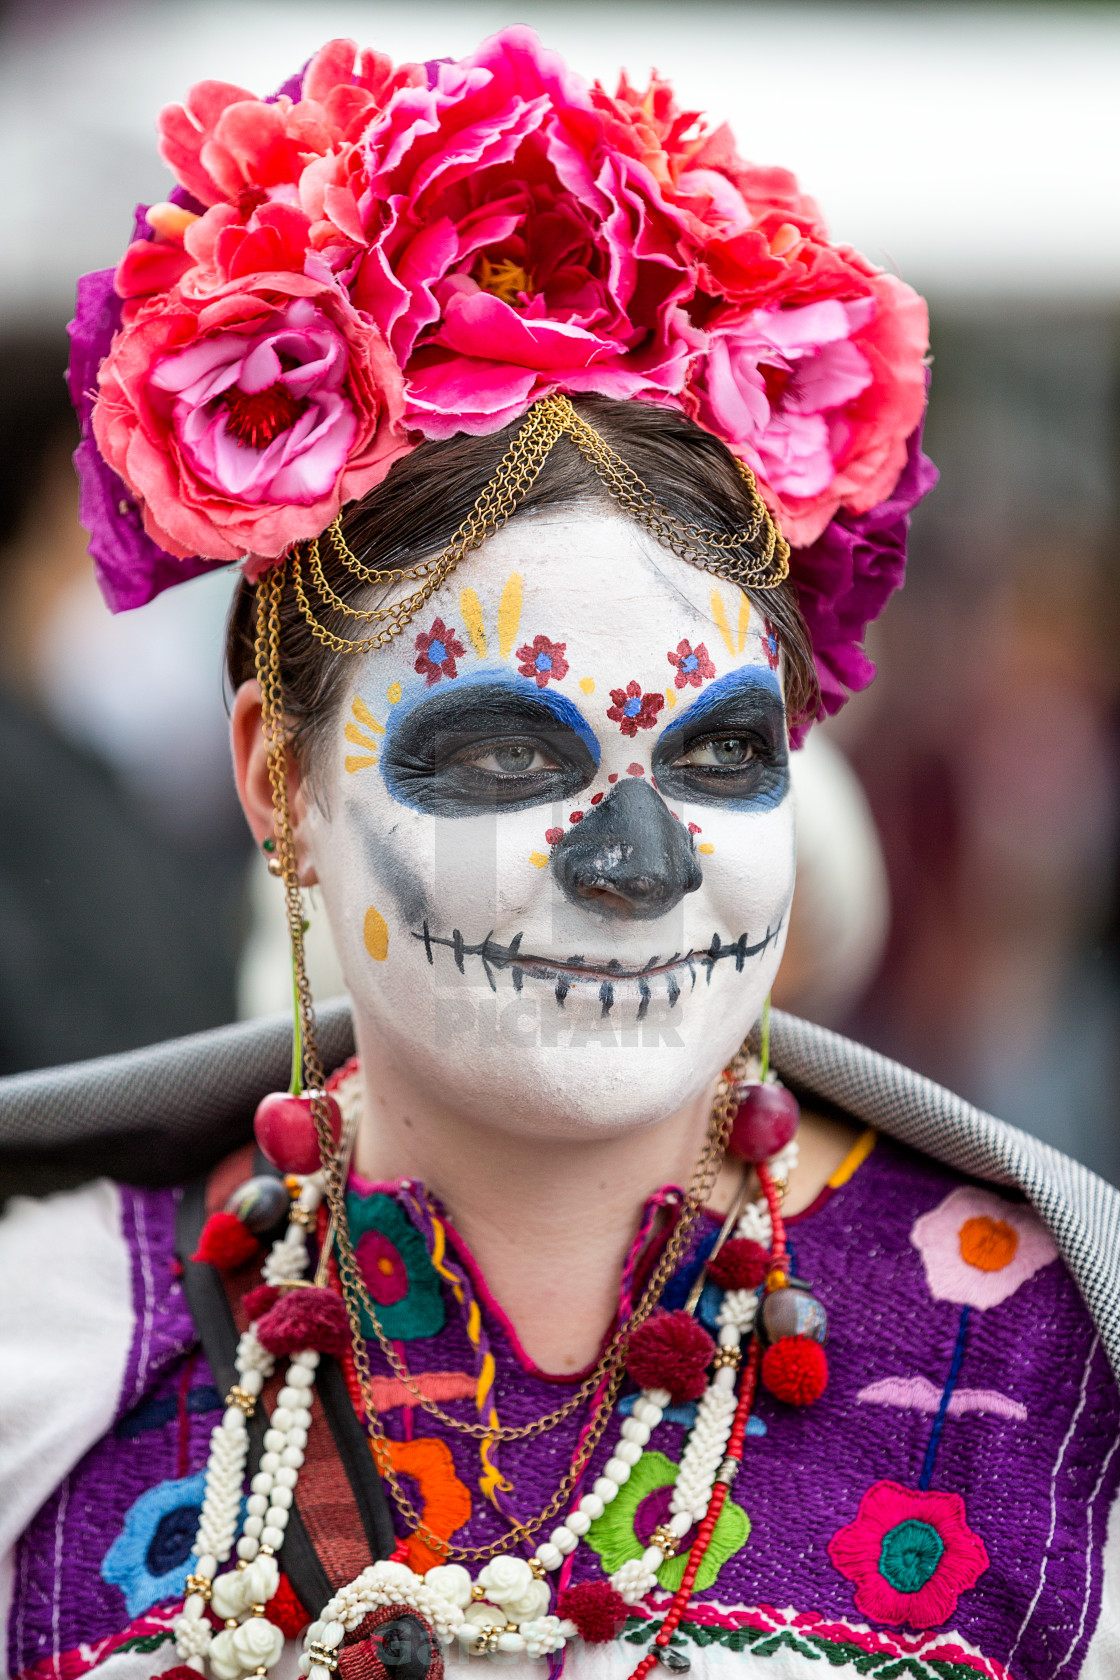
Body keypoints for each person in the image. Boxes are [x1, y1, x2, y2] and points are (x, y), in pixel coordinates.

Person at [1, 29, 1117, 1680]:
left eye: (722, 753)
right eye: (511, 754)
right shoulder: (45, 1344)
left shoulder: (1055, 1375)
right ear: (276, 784)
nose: (641, 861)